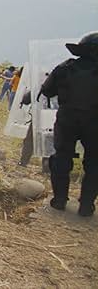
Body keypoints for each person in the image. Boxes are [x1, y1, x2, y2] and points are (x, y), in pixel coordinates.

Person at [39, 32, 98, 217]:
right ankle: (87, 205)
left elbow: (47, 91)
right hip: (95, 123)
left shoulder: (65, 68)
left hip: (67, 120)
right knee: (95, 163)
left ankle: (59, 201)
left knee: (61, 159)